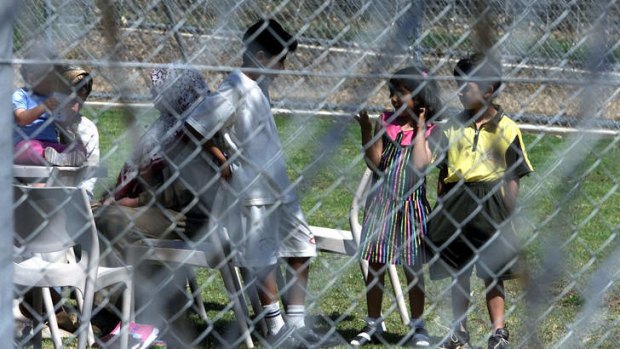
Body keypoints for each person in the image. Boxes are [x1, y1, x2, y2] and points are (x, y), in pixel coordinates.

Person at [172, 19, 325, 347]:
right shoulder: (235, 86)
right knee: (262, 255)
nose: (283, 67)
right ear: (259, 55)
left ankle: (296, 326)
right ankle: (275, 327)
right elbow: (193, 128)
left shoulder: (259, 83)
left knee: (302, 246)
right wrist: (221, 158)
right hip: (251, 188)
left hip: (278, 183)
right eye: (279, 59)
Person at [94, 67, 210, 347]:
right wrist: (112, 197)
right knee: (93, 215)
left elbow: (182, 192)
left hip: (187, 216)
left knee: (113, 220)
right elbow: (133, 175)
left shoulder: (195, 130)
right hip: (157, 209)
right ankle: (107, 311)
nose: (152, 94)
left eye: (158, 88)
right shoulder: (163, 126)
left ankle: (141, 315)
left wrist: (131, 202)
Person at [427, 53, 534, 349]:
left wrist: (508, 210)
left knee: (493, 271)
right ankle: (458, 329)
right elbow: (443, 170)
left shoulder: (507, 128)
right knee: (457, 270)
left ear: (488, 90)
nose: (460, 91)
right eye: (458, 85)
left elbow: (514, 174)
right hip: (456, 200)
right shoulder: (450, 126)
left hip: (491, 202)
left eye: (467, 86)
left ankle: (498, 331)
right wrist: (443, 203)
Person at [350, 66, 442, 347]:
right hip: (381, 204)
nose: (393, 99)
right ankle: (373, 323)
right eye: (392, 93)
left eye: (401, 93)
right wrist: (367, 130)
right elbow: (376, 163)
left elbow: (418, 165)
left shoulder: (432, 131)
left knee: (412, 268)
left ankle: (417, 325)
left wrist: (421, 126)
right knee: (376, 266)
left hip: (411, 207)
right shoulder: (385, 123)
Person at [13, 50, 86, 166]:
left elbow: (62, 123)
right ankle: (46, 156)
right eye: (49, 82)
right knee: (27, 149)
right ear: (31, 79)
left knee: (79, 149)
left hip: (51, 146)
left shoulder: (54, 97)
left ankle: (61, 159)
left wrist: (67, 112)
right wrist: (43, 106)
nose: (54, 85)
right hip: (28, 143)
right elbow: (21, 119)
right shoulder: (21, 95)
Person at [57, 65, 100, 198]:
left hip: (75, 195)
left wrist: (80, 197)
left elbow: (91, 175)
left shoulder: (87, 128)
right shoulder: (40, 122)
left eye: (81, 101)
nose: (75, 108)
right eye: (70, 100)